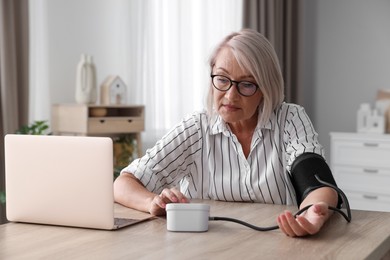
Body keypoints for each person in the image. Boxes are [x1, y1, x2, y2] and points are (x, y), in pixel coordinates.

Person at [114, 28, 339, 237]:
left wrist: (312, 215)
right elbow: (124, 183)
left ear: (266, 88)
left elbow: (318, 184)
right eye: (222, 79)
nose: (231, 96)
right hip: (205, 246)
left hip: (278, 244)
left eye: (247, 84)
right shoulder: (196, 128)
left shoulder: (289, 118)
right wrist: (152, 202)